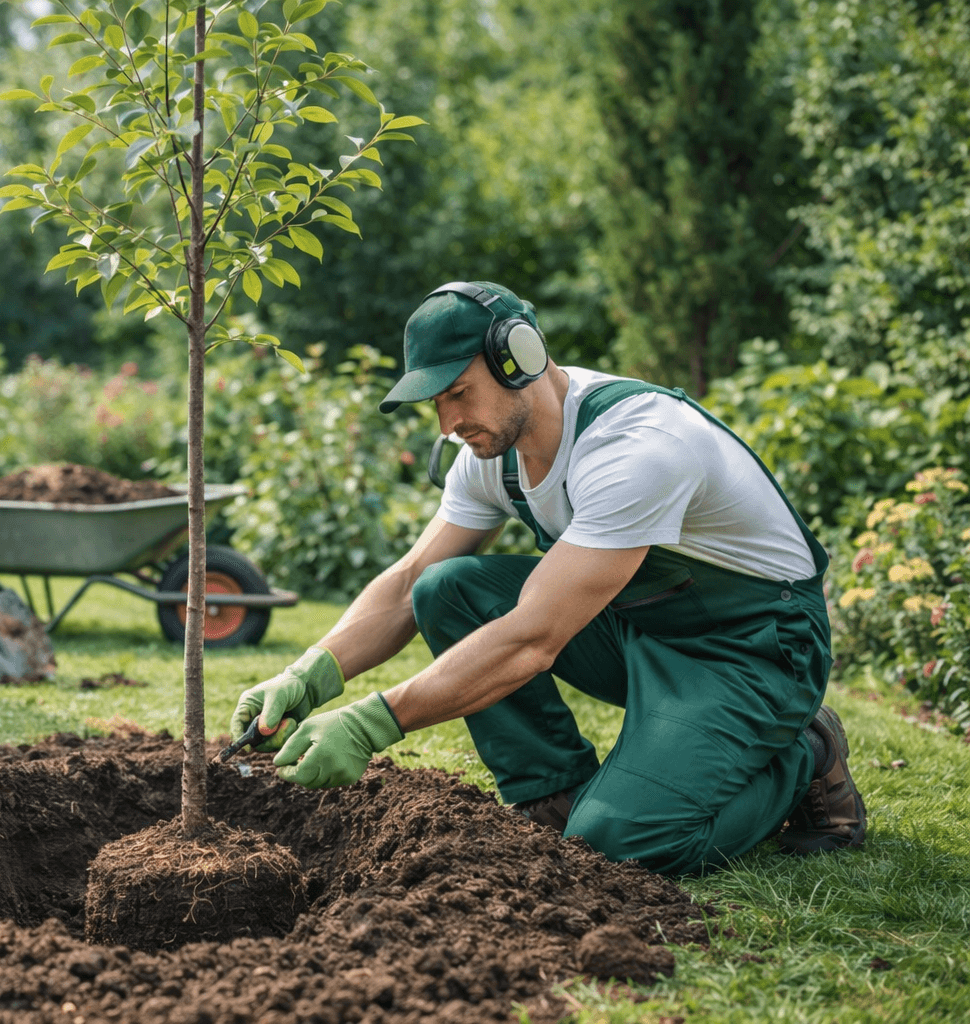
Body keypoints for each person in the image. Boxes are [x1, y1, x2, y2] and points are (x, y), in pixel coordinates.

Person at [230, 281, 866, 875]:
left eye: (458, 392)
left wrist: (372, 722)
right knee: (446, 588)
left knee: (622, 844)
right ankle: (553, 797)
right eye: (435, 403)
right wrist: (310, 672)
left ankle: (804, 752)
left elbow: (534, 638)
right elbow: (406, 585)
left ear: (518, 358)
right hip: (641, 624)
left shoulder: (635, 447)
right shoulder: (491, 455)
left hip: (751, 647)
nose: (446, 423)